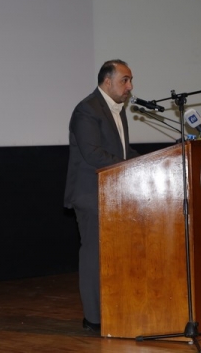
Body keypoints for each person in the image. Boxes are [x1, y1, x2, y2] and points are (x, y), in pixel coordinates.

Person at [64, 59, 140, 332]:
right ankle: (93, 318)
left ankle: (112, 310)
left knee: (114, 256)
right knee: (94, 257)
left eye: (130, 80)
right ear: (107, 81)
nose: (130, 86)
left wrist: (149, 160)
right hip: (91, 195)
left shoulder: (117, 110)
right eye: (125, 80)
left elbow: (121, 152)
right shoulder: (87, 109)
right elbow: (94, 154)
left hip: (113, 194)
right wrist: (133, 166)